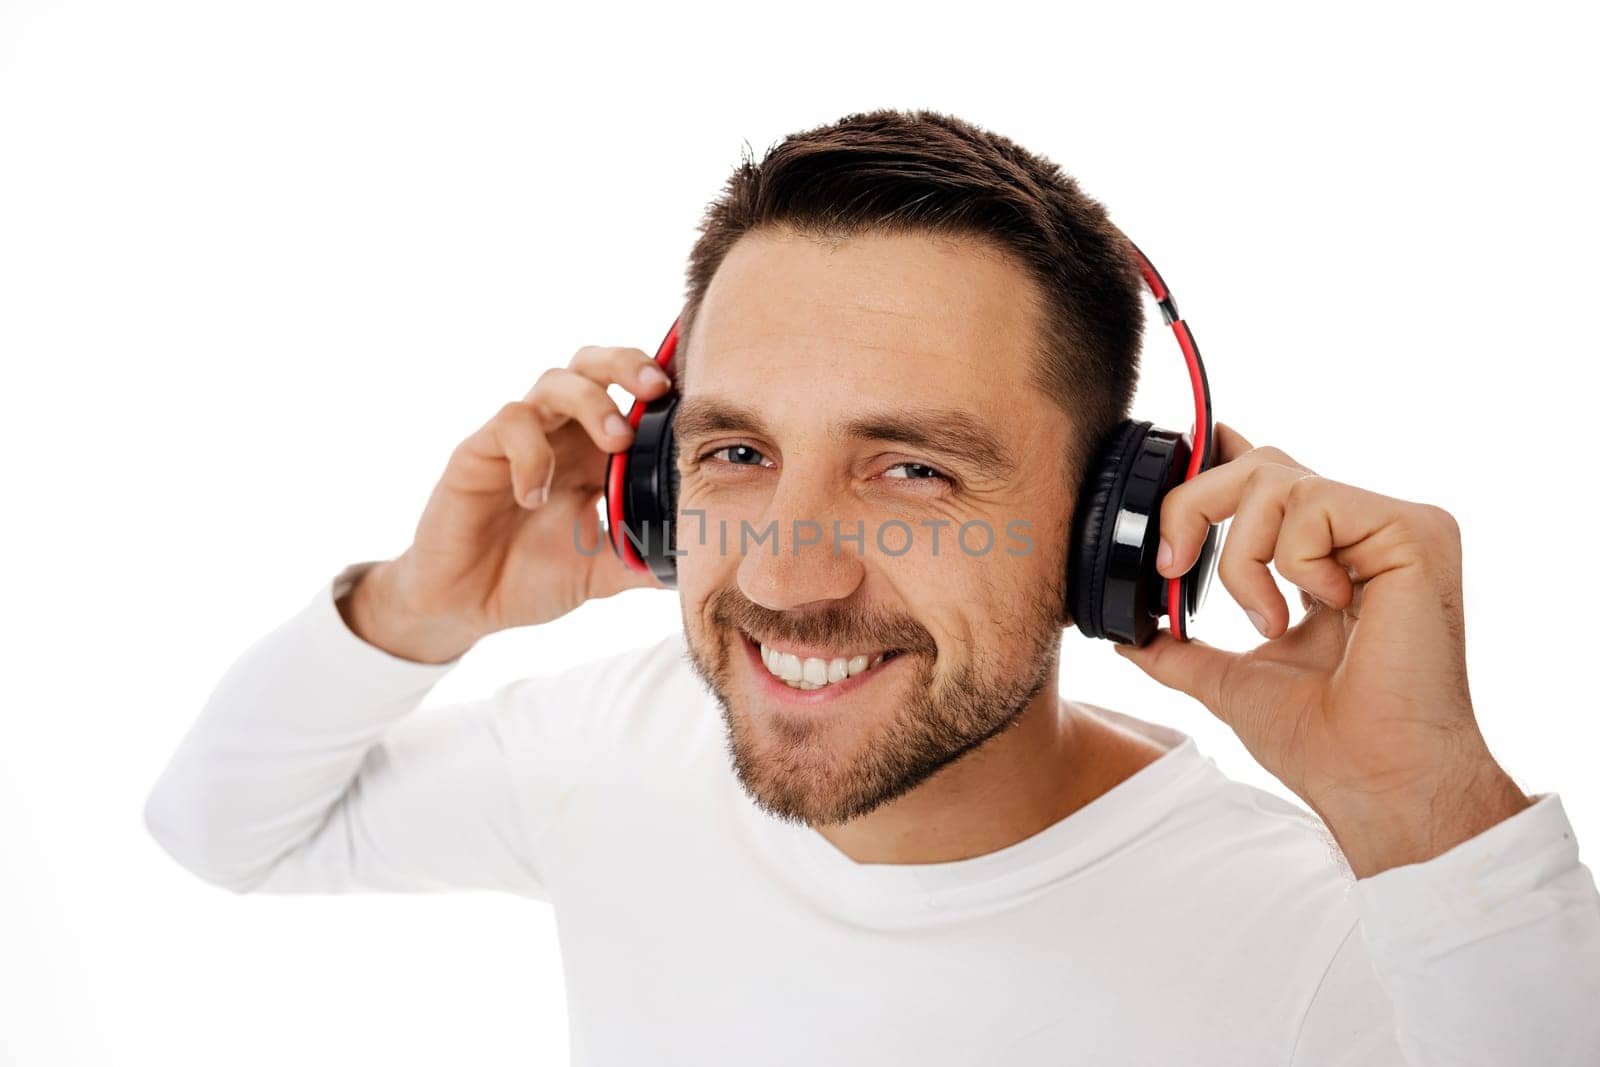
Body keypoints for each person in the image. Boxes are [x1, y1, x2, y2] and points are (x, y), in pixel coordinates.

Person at [143, 108, 1600, 1066]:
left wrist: (1429, 818)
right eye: (733, 451)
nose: (785, 568)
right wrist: (417, 607)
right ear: (649, 487)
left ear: (1120, 524)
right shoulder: (613, 739)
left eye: (912, 473)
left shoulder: (1327, 943)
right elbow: (225, 834)